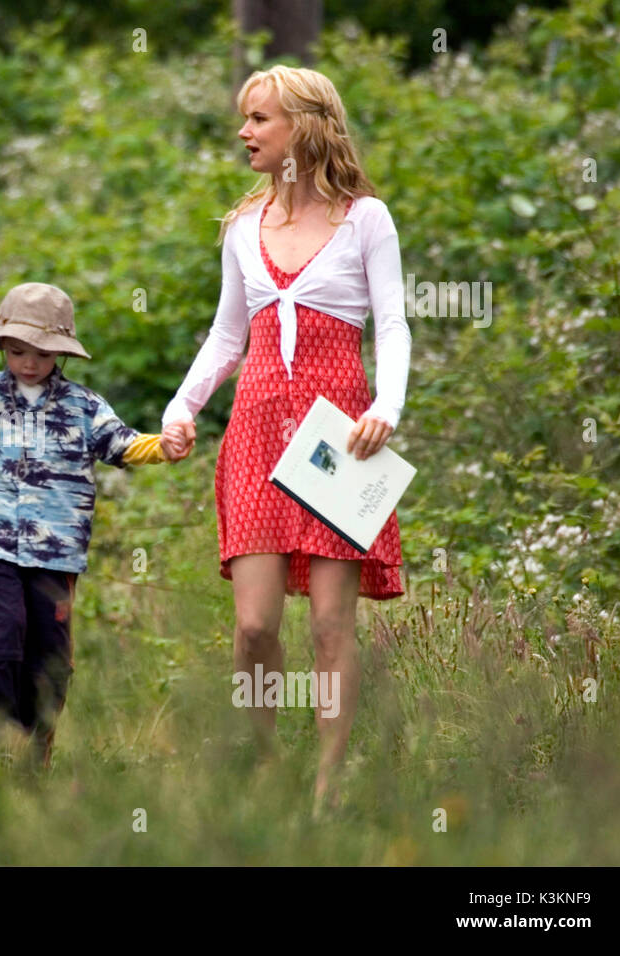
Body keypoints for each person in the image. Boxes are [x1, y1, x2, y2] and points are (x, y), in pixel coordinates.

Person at [161, 65, 412, 815]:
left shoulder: (366, 219)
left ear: (304, 125)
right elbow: (226, 334)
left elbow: (393, 324)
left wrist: (388, 407)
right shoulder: (243, 226)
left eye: (260, 119)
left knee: (333, 623)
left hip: (340, 437)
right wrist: (183, 407)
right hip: (257, 434)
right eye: (246, 119)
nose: (245, 133)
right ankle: (268, 764)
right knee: (252, 626)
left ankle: (328, 784)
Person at [0, 283, 183, 767]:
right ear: (3, 346)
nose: (28, 363)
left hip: (59, 547)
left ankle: (38, 740)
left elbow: (121, 443)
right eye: (18, 351)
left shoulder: (84, 406)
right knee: (7, 632)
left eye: (41, 354)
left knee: (53, 651)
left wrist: (163, 446)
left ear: (60, 354)